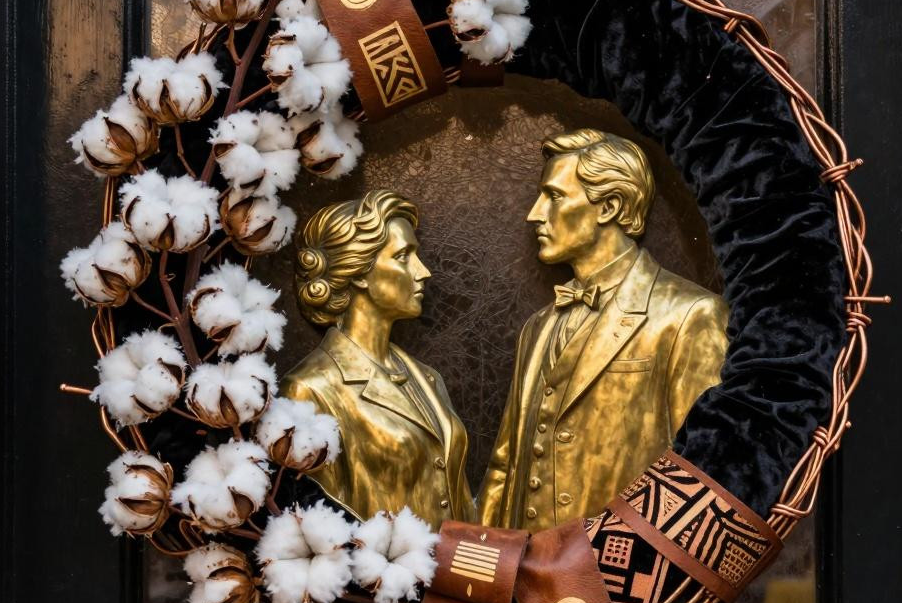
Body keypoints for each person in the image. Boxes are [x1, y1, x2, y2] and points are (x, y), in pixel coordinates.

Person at [478, 128, 729, 530]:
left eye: (554, 196)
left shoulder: (689, 315)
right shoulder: (538, 327)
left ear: (609, 206)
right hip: (521, 563)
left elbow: (701, 475)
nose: (535, 213)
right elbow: (504, 465)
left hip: (620, 563)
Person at [282, 189, 474, 526]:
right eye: (403, 256)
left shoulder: (428, 379)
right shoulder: (310, 390)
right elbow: (318, 527)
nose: (422, 271)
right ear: (358, 271)